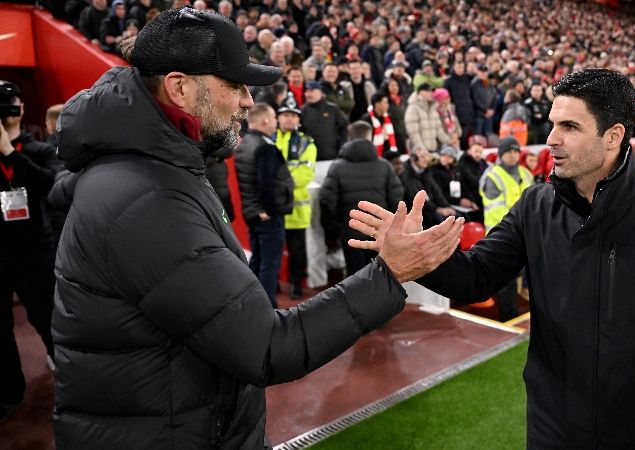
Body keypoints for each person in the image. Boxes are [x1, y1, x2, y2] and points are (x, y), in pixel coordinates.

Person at [52, 8, 463, 448]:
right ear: (179, 87)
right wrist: (389, 273)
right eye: (234, 85)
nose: (249, 100)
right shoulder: (147, 198)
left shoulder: (152, 171)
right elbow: (267, 348)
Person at [349, 69, 635, 449]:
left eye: (570, 126)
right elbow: (476, 277)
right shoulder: (534, 207)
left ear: (612, 136)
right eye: (553, 124)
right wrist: (423, 257)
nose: (550, 140)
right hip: (550, 430)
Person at [0, 81, 60, 421]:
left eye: (11, 105)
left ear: (21, 109)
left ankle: (67, 380)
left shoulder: (37, 150)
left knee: (48, 318)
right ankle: (10, 392)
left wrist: (9, 153)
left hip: (34, 251)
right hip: (1, 253)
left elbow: (51, 185)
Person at [320, 121, 403, 276]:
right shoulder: (384, 166)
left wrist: (334, 227)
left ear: (349, 138)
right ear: (369, 137)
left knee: (355, 277)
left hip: (350, 230)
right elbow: (396, 199)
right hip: (379, 231)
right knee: (380, 275)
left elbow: (327, 201)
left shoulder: (337, 167)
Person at [235, 103, 293, 307]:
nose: (276, 122)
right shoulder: (265, 147)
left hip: (253, 212)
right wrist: (267, 210)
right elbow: (267, 183)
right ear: (265, 120)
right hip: (266, 215)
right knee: (269, 263)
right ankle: (267, 309)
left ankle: (252, 304)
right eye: (275, 118)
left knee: (258, 261)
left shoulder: (245, 144)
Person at [479, 136, 532, 321]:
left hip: (525, 233)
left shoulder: (526, 173)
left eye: (516, 151)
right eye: (509, 151)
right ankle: (508, 318)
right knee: (507, 281)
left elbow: (533, 203)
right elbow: (495, 210)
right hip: (500, 235)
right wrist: (522, 221)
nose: (513, 155)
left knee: (534, 274)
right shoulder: (492, 176)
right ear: (501, 154)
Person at [271, 96, 316, 299]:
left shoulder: (307, 143)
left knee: (298, 252)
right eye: (285, 115)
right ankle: (274, 283)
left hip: (296, 209)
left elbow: (305, 175)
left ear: (298, 120)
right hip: (273, 207)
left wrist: (278, 184)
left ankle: (296, 283)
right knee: (273, 248)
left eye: (292, 116)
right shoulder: (268, 139)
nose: (289, 119)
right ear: (278, 118)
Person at [300, 80, 348, 161]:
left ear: (320, 92)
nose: (308, 94)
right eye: (306, 91)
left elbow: (344, 128)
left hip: (331, 156)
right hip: (309, 158)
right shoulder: (302, 111)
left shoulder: (332, 109)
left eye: (311, 91)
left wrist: (341, 147)